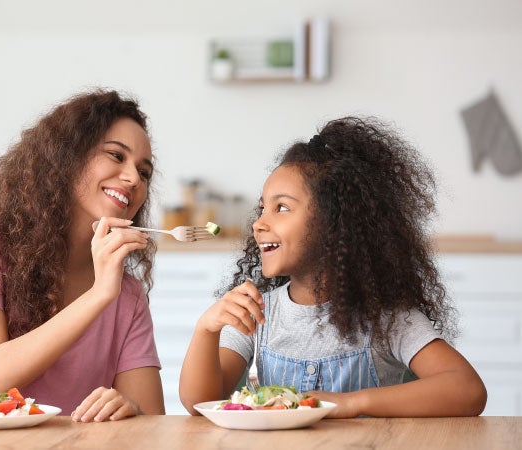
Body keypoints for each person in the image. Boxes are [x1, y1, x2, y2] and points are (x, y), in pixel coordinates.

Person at [179, 116, 487, 418]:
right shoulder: (258, 312)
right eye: (263, 208)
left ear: (335, 222)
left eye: (281, 207)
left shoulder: (388, 317)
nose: (259, 223)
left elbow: (468, 390)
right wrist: (206, 329)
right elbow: (199, 402)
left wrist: (351, 403)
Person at [0, 89, 165, 421]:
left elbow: (152, 421)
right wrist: (98, 295)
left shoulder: (127, 295)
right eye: (116, 156)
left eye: (144, 171)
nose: (134, 178)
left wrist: (130, 409)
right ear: (68, 157)